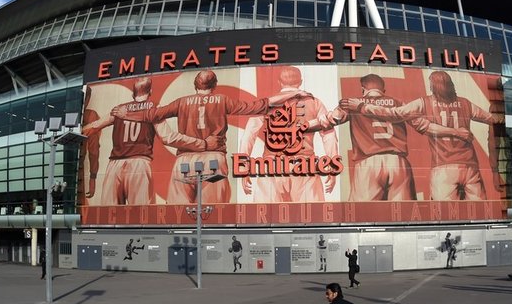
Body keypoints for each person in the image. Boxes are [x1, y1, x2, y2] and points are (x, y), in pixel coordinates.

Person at [114, 70, 306, 204]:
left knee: (178, 214)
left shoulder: (181, 102)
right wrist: (294, 93)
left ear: (195, 85)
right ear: (214, 85)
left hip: (184, 160)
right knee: (213, 213)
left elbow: (152, 115)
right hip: (213, 159)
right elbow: (258, 106)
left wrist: (125, 114)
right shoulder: (222, 100)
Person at [339, 70, 504, 201]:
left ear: (432, 86)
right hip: (470, 165)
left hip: (443, 167)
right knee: (480, 210)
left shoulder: (424, 102)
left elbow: (395, 114)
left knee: (443, 215)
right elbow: (491, 119)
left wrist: (362, 106)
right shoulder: (466, 103)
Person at [83, 77, 219, 205]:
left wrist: (74, 131)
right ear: (150, 92)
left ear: (133, 94)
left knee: (108, 216)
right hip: (139, 164)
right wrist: (203, 143)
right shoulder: (152, 109)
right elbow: (168, 138)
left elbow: (94, 126)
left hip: (114, 165)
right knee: (142, 217)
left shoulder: (120, 109)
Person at [307, 73, 416, 201]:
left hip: (369, 162)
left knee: (363, 213)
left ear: (363, 90)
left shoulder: (352, 103)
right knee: (403, 214)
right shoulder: (399, 103)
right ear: (383, 91)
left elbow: (328, 121)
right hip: (399, 162)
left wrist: (304, 126)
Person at [238, 66, 339, 202]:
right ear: (300, 82)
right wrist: (333, 166)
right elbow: (329, 135)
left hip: (272, 166)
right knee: (312, 218)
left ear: (280, 82)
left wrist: (243, 167)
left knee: (265, 219)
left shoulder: (267, 103)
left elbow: (248, 135)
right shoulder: (314, 102)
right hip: (304, 166)